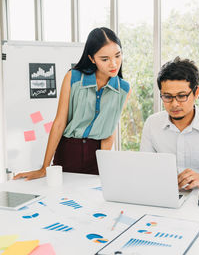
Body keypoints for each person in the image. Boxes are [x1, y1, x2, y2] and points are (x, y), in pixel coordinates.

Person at [14, 27, 131, 180]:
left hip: (97, 156)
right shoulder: (73, 78)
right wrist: (44, 167)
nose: (114, 64)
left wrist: (105, 169)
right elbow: (59, 123)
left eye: (117, 55)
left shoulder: (123, 89)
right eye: (105, 59)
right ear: (91, 58)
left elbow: (108, 131)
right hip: (68, 152)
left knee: (95, 202)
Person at [140, 57, 199, 189]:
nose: (174, 104)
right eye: (167, 97)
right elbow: (145, 169)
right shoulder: (152, 124)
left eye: (181, 96)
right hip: (162, 194)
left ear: (196, 92)